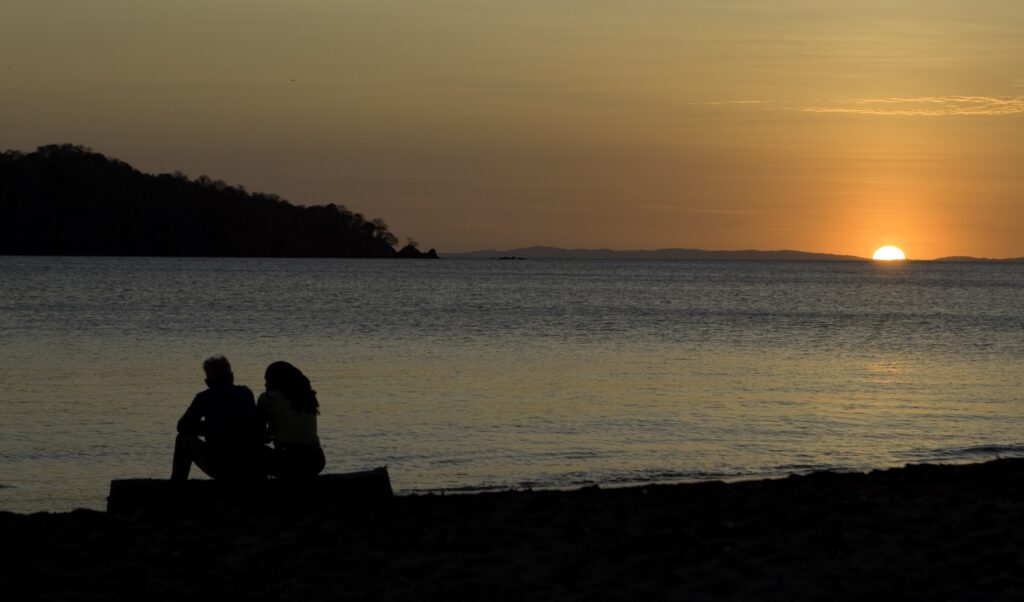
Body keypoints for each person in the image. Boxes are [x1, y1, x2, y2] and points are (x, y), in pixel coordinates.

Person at [171, 356, 264, 482]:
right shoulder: (245, 393)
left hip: (222, 467)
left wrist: (210, 426)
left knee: (182, 439)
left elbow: (182, 427)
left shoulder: (204, 398)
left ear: (208, 381)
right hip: (251, 464)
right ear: (232, 377)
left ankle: (177, 482)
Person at [257, 361, 326, 479]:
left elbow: (257, 433)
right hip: (316, 460)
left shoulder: (267, 398)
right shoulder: (306, 396)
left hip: (288, 461)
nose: (265, 383)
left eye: (267, 379)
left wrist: (267, 435)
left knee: (252, 451)